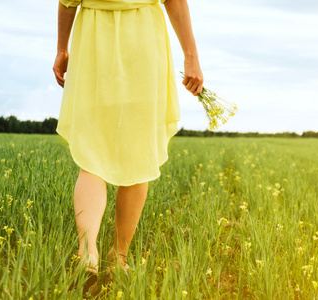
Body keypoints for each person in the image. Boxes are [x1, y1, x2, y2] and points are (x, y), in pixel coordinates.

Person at [52, 0, 203, 295]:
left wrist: (62, 49)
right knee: (138, 150)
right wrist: (191, 57)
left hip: (94, 41)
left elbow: (67, 2)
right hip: (143, 40)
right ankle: (118, 258)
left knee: (91, 155)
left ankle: (87, 252)